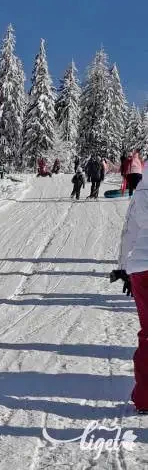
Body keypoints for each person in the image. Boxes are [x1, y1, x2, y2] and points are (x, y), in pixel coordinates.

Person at [112, 163, 148, 414]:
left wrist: (124, 268)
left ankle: (146, 397)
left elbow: (129, 233)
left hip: (142, 268)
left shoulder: (143, 192)